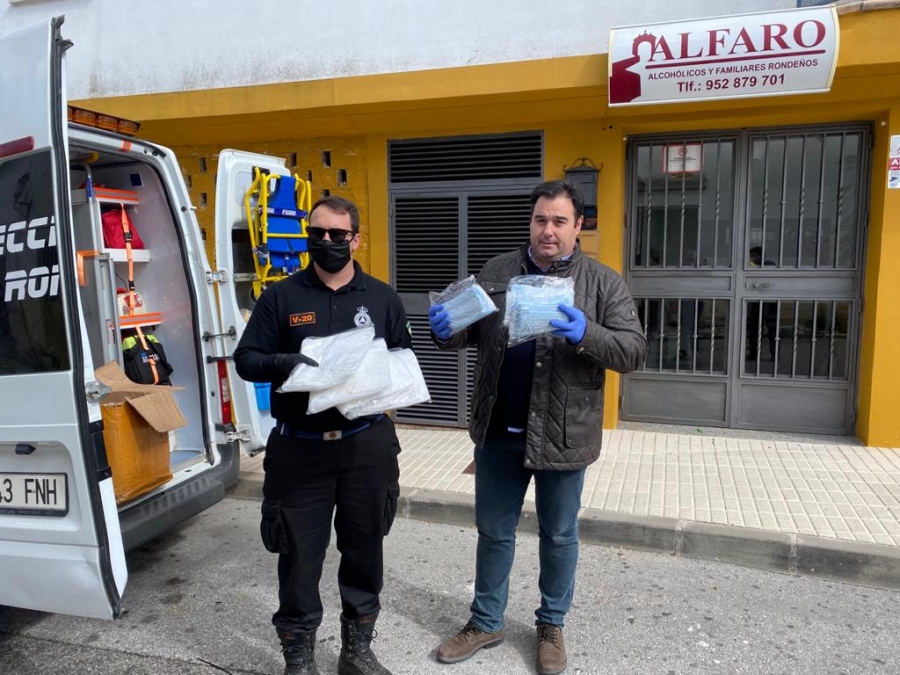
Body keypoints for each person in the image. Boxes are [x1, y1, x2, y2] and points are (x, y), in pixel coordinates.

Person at [428, 180, 647, 675]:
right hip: (499, 429)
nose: (548, 231)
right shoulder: (498, 271)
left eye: (559, 221)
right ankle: (486, 622)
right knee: (493, 531)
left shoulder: (602, 283)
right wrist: (445, 330)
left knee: (559, 534)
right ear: (531, 222)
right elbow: (468, 330)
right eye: (540, 220)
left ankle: (551, 625)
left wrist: (586, 333)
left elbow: (633, 350)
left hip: (565, 434)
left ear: (579, 226)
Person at [234, 196, 411, 675]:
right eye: (318, 234)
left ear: (356, 238)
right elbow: (246, 359)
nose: (327, 242)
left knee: (365, 550)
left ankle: (356, 651)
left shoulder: (382, 298)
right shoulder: (281, 297)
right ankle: (299, 655)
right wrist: (284, 363)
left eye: (337, 234)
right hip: (299, 450)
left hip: (367, 445)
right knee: (298, 556)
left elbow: (402, 359)